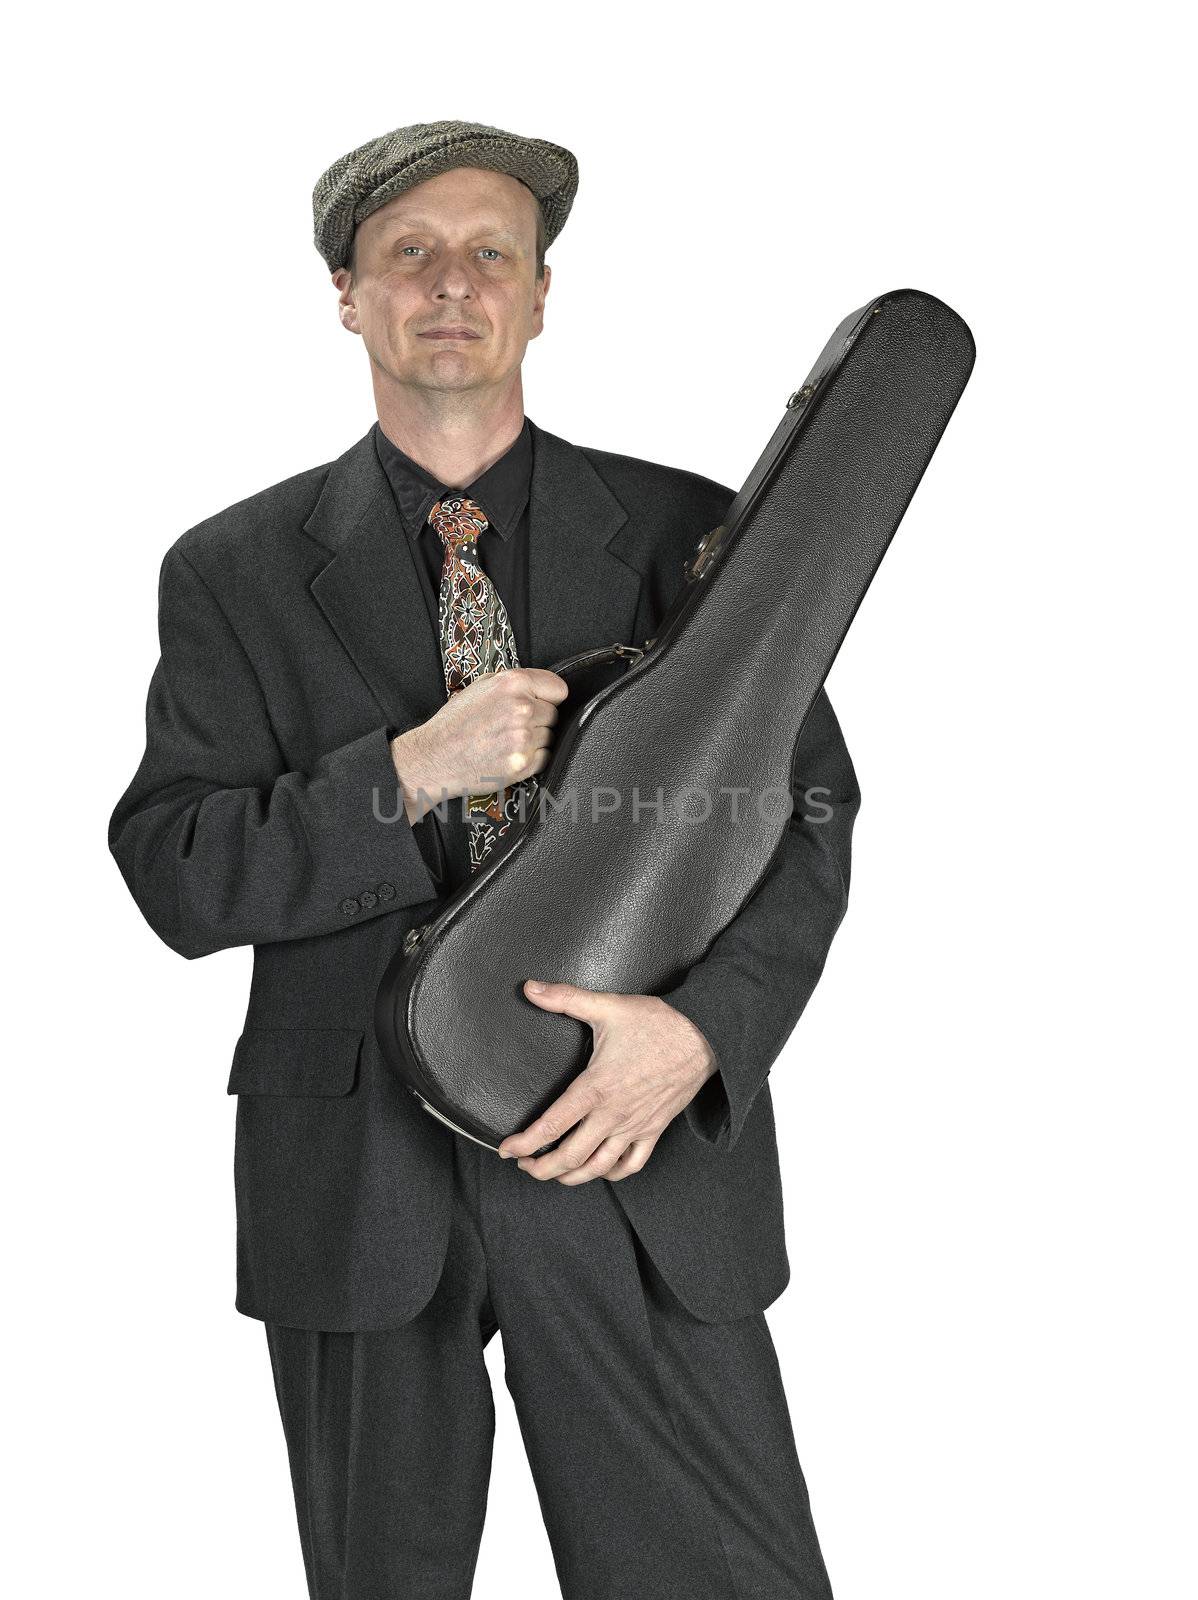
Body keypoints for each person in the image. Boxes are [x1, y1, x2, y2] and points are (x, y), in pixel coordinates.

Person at [109, 118, 861, 1600]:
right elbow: (178, 871)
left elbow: (809, 813)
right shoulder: (232, 572)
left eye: (488, 255)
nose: (450, 284)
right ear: (347, 295)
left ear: (537, 295)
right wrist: (403, 777)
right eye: (409, 255)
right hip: (359, 1164)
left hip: (623, 1145)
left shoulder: (692, 532)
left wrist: (700, 1039)